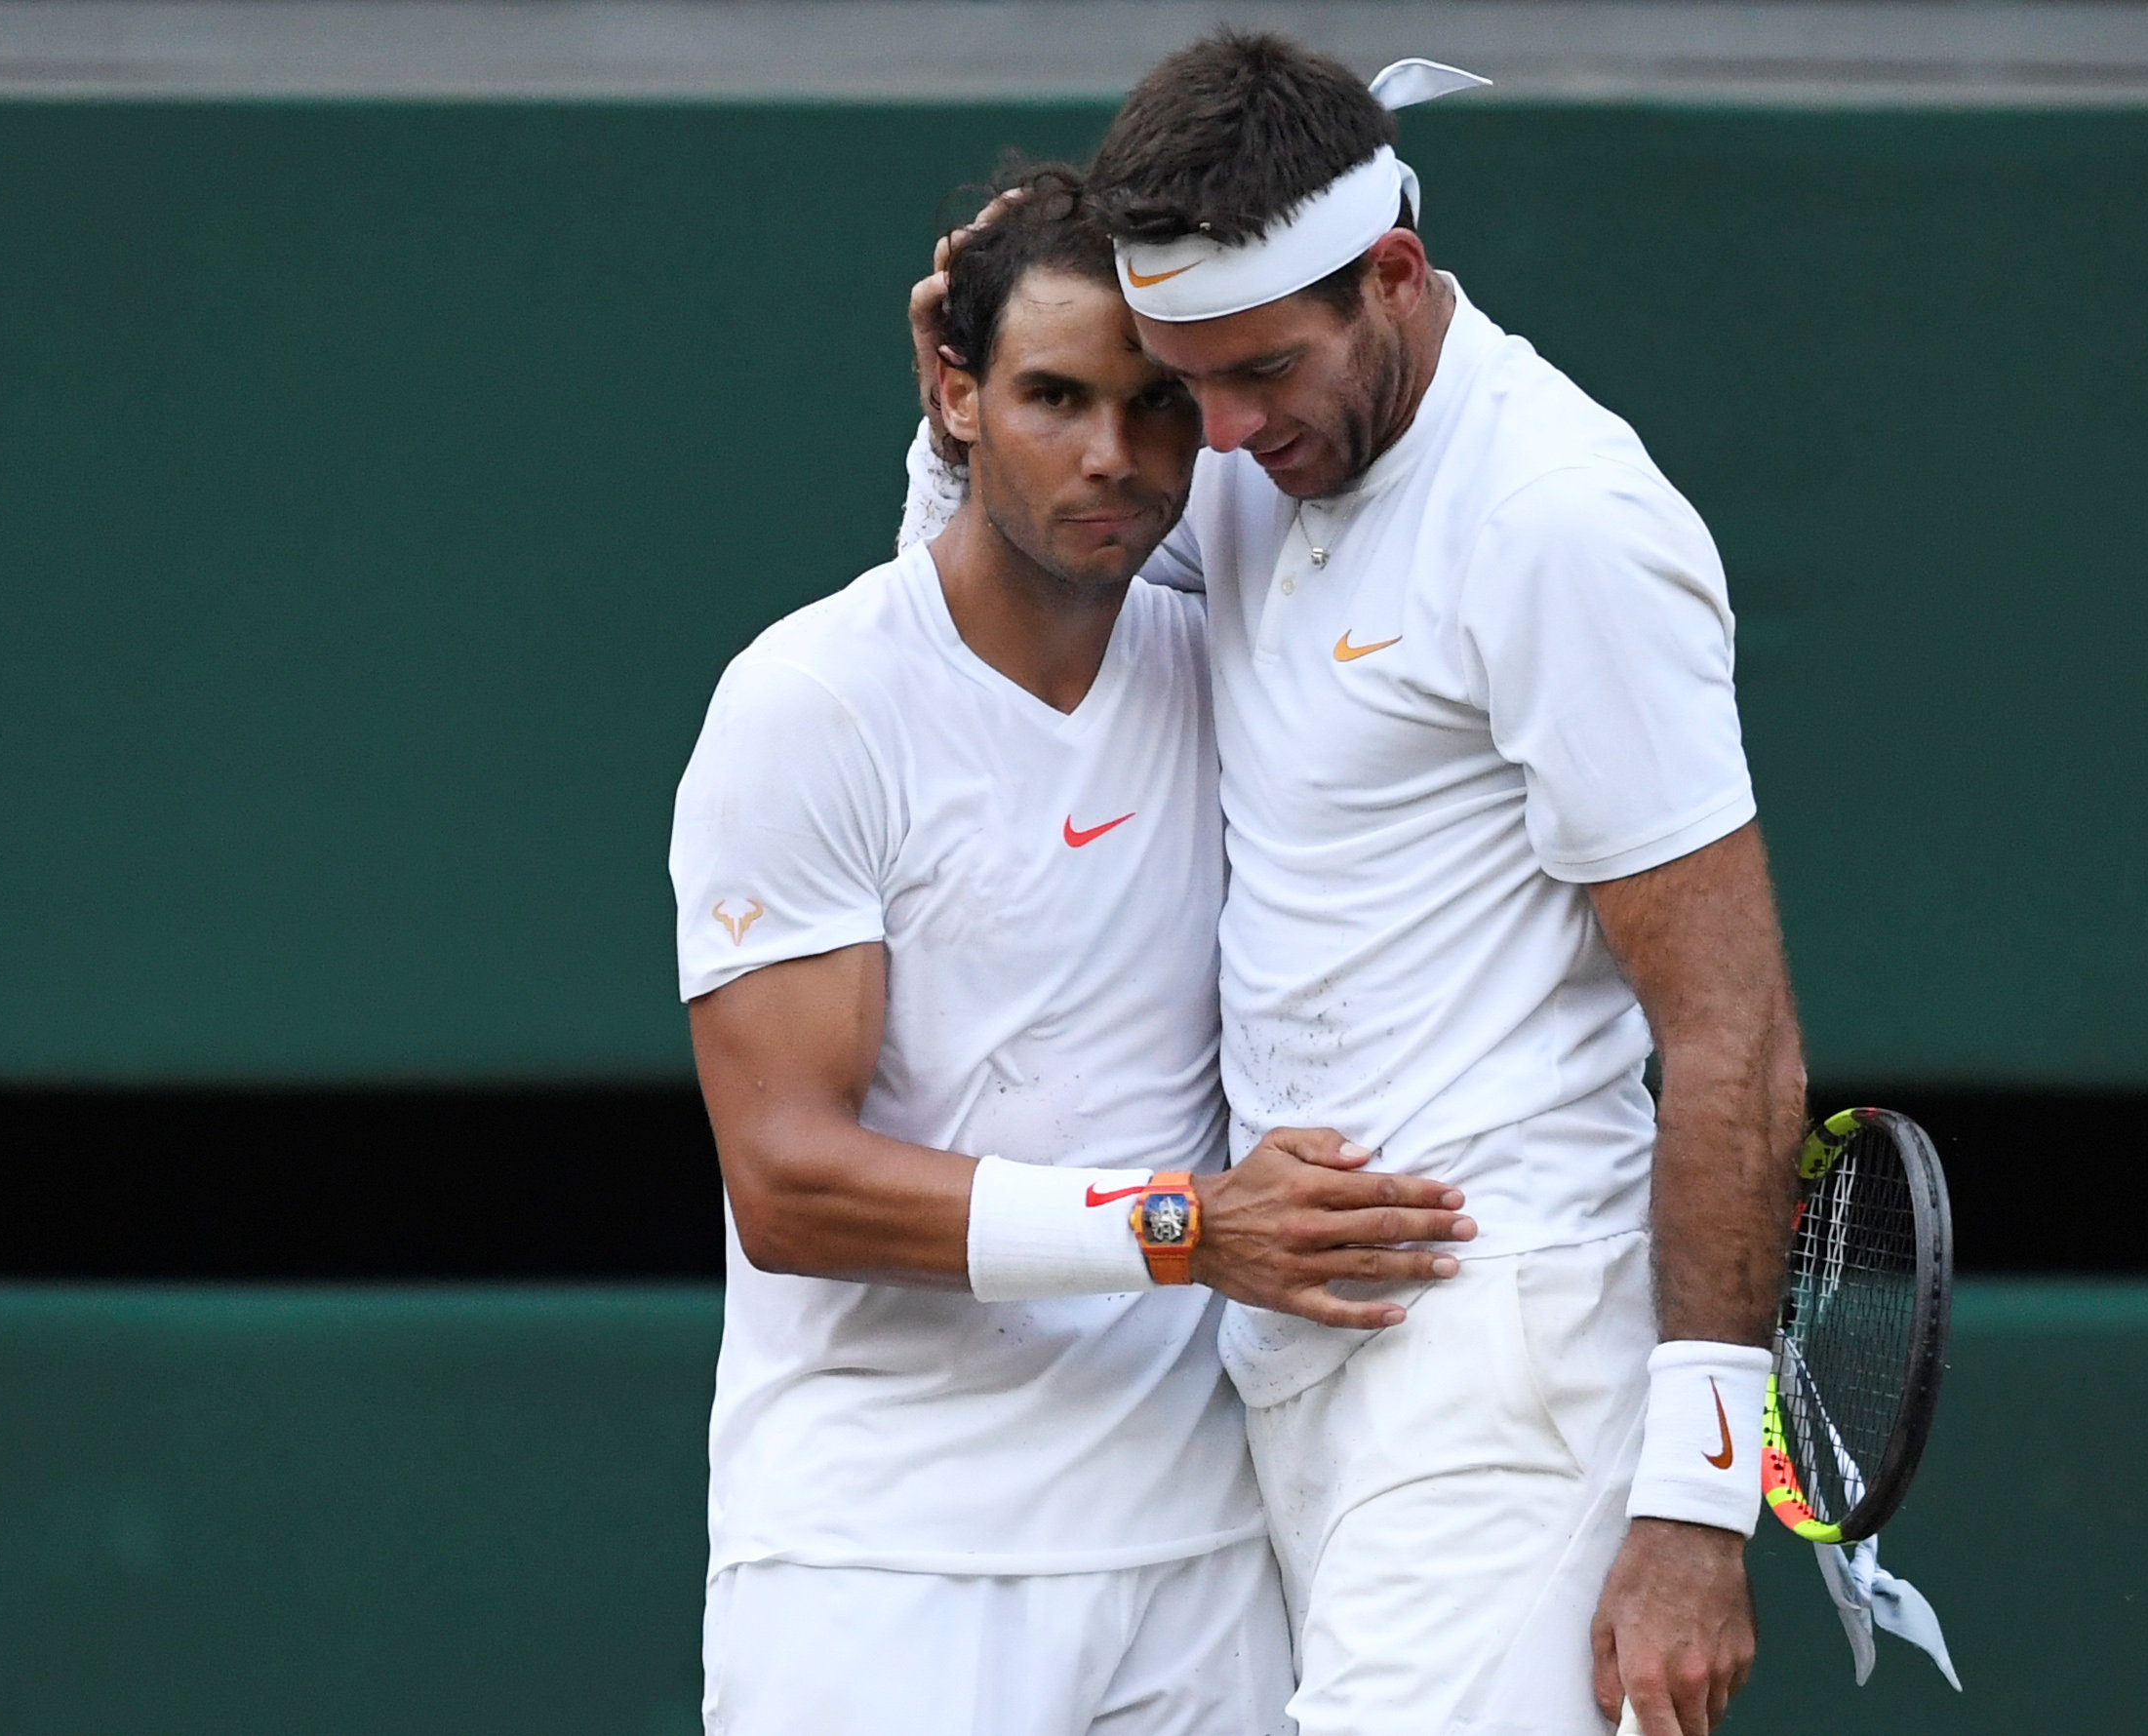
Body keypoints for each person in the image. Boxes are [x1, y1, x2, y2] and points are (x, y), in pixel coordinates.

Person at [902, 39, 1806, 1736]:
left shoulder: (1561, 522)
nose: (1220, 436)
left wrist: (1694, 1514)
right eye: (1184, 385)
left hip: (1509, 1362)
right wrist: (958, 418)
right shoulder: (1251, 456)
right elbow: (991, 652)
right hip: (1292, 1372)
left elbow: (1735, 1037)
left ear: (1392, 274)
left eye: (1255, 375)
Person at [670, 171, 1474, 1736]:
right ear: (953, 395)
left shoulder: (1242, 668)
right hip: (878, 1571)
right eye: (1050, 398)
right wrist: (1186, 1230)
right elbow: (788, 1182)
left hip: (1198, 1575)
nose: (1112, 457)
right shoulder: (806, 707)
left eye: (1154, 405)